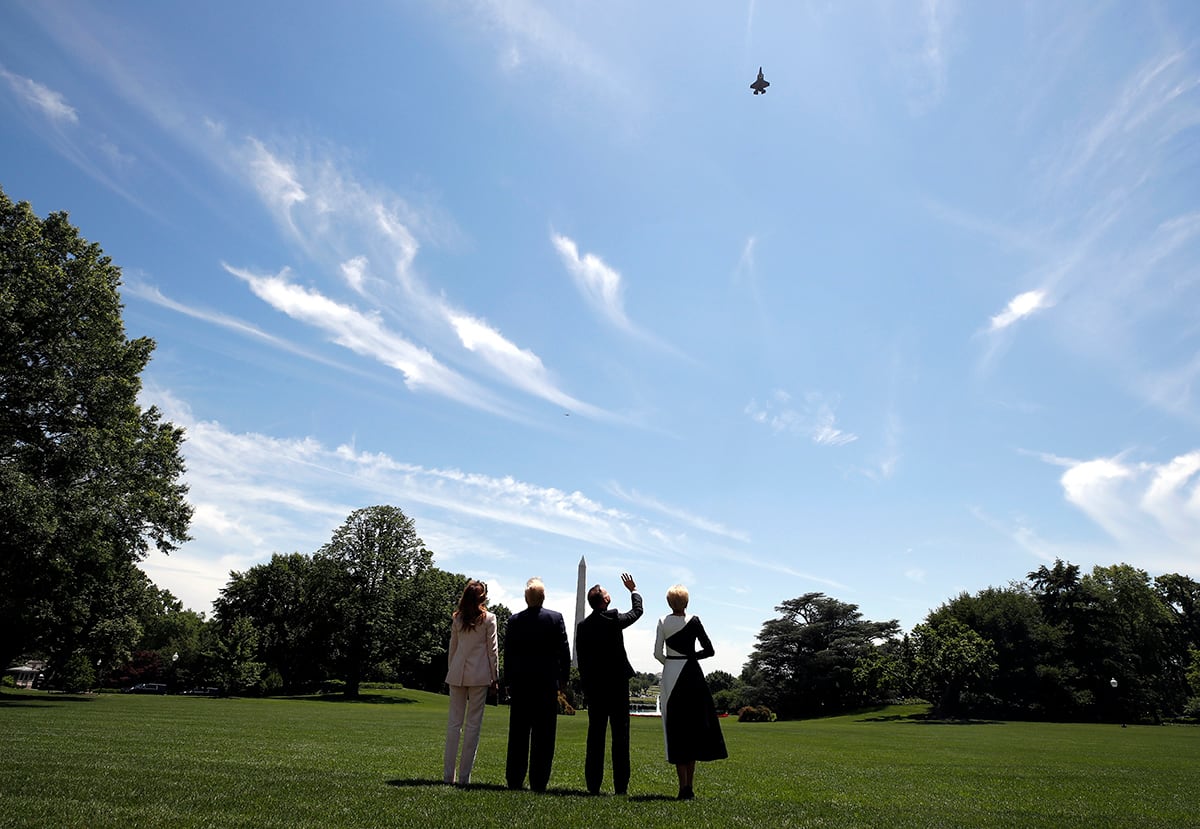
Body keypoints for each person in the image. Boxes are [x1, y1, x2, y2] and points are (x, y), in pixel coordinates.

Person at [653, 584, 727, 800]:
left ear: (669, 603)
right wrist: (691, 658)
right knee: (693, 729)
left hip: (671, 674)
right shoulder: (694, 621)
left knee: (677, 729)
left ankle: (681, 785)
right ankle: (689, 787)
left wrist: (671, 663)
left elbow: (657, 653)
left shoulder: (662, 621)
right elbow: (709, 650)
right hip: (692, 675)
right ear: (687, 602)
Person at [575, 572, 643, 796]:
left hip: (595, 690)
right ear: (605, 600)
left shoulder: (583, 627)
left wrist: (586, 688)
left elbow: (582, 662)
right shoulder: (612, 618)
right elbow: (637, 613)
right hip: (617, 687)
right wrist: (633, 590)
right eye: (606, 592)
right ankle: (620, 788)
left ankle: (593, 786)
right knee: (620, 738)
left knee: (595, 738)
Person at [503, 576, 571, 792]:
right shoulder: (555, 618)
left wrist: (508, 680)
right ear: (543, 597)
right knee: (544, 736)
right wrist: (563, 679)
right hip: (545, 684)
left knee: (518, 736)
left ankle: (515, 779)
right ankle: (539, 781)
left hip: (521, 684)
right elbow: (564, 652)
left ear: (526, 598)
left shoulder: (514, 621)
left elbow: (509, 655)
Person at [443, 579, 499, 786]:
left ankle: (448, 776)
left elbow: (453, 649)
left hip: (457, 673)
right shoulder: (489, 619)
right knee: (473, 726)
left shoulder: (458, 618)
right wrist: (495, 677)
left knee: (453, 725)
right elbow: (492, 651)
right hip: (479, 675)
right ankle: (464, 777)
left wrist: (452, 670)